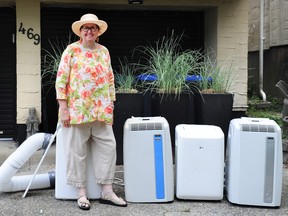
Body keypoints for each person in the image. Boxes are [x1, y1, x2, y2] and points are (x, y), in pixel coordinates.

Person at [55, 13, 127, 210]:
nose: (89, 31)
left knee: (108, 148)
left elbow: (110, 79)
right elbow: (61, 79)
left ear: (98, 32)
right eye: (85, 28)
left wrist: (111, 104)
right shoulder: (71, 50)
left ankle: (107, 191)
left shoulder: (104, 51)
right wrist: (63, 108)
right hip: (77, 111)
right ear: (80, 31)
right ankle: (81, 194)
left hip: (101, 110)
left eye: (93, 28)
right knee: (76, 152)